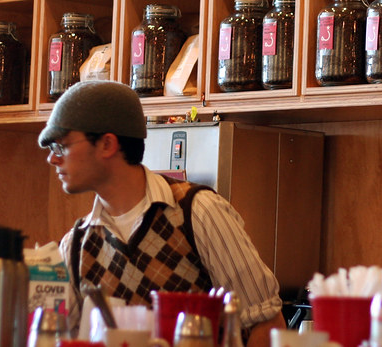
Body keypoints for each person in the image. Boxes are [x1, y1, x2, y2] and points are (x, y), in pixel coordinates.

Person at [39, 80, 285, 346]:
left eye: (61, 146)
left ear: (107, 145)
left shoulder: (197, 211)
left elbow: (266, 323)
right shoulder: (76, 245)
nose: (52, 158)